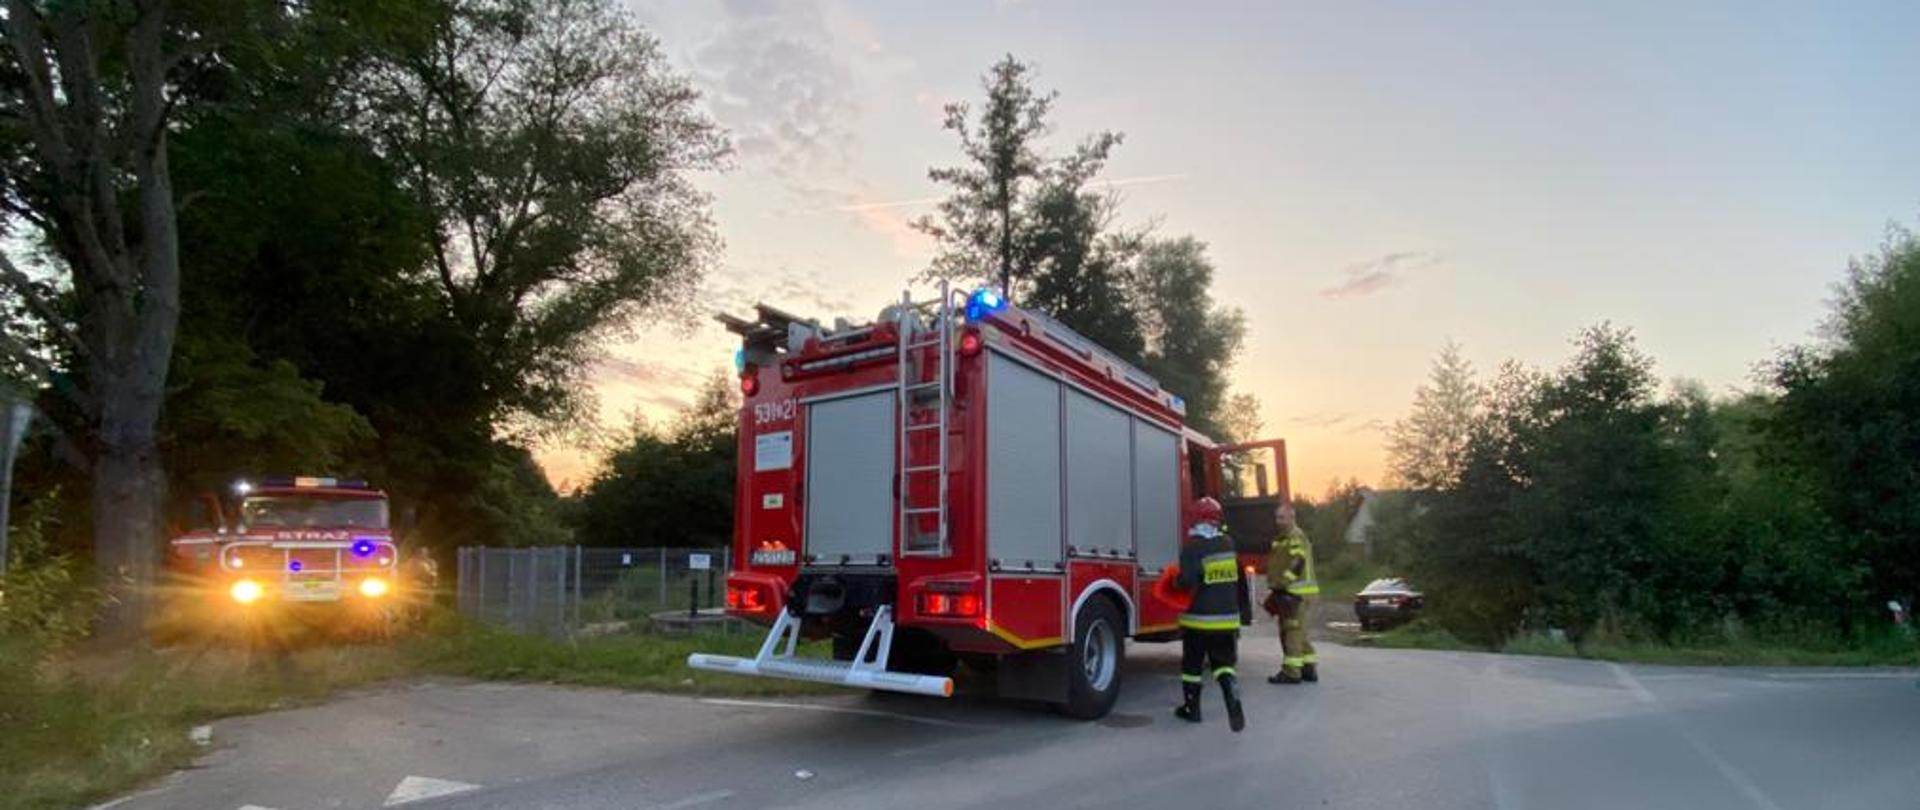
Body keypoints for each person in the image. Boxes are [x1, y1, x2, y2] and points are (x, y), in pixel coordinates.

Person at [1173, 496, 1248, 732]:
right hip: (1226, 620)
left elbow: (1186, 581)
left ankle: (1192, 709)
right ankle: (1232, 696)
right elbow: (1240, 581)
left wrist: (1173, 581)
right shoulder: (1228, 544)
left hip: (1199, 620)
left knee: (1192, 666)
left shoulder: (1193, 547)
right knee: (1223, 665)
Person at [1266, 502, 1320, 684]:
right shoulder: (1283, 538)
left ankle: (1291, 671)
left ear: (1292, 517)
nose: (1277, 521)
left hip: (1296, 593)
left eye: (1282, 517)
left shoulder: (1295, 536)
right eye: (1276, 518)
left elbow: (1298, 562)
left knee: (1291, 632)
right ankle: (1308, 667)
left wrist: (1284, 582)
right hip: (1295, 592)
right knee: (1299, 632)